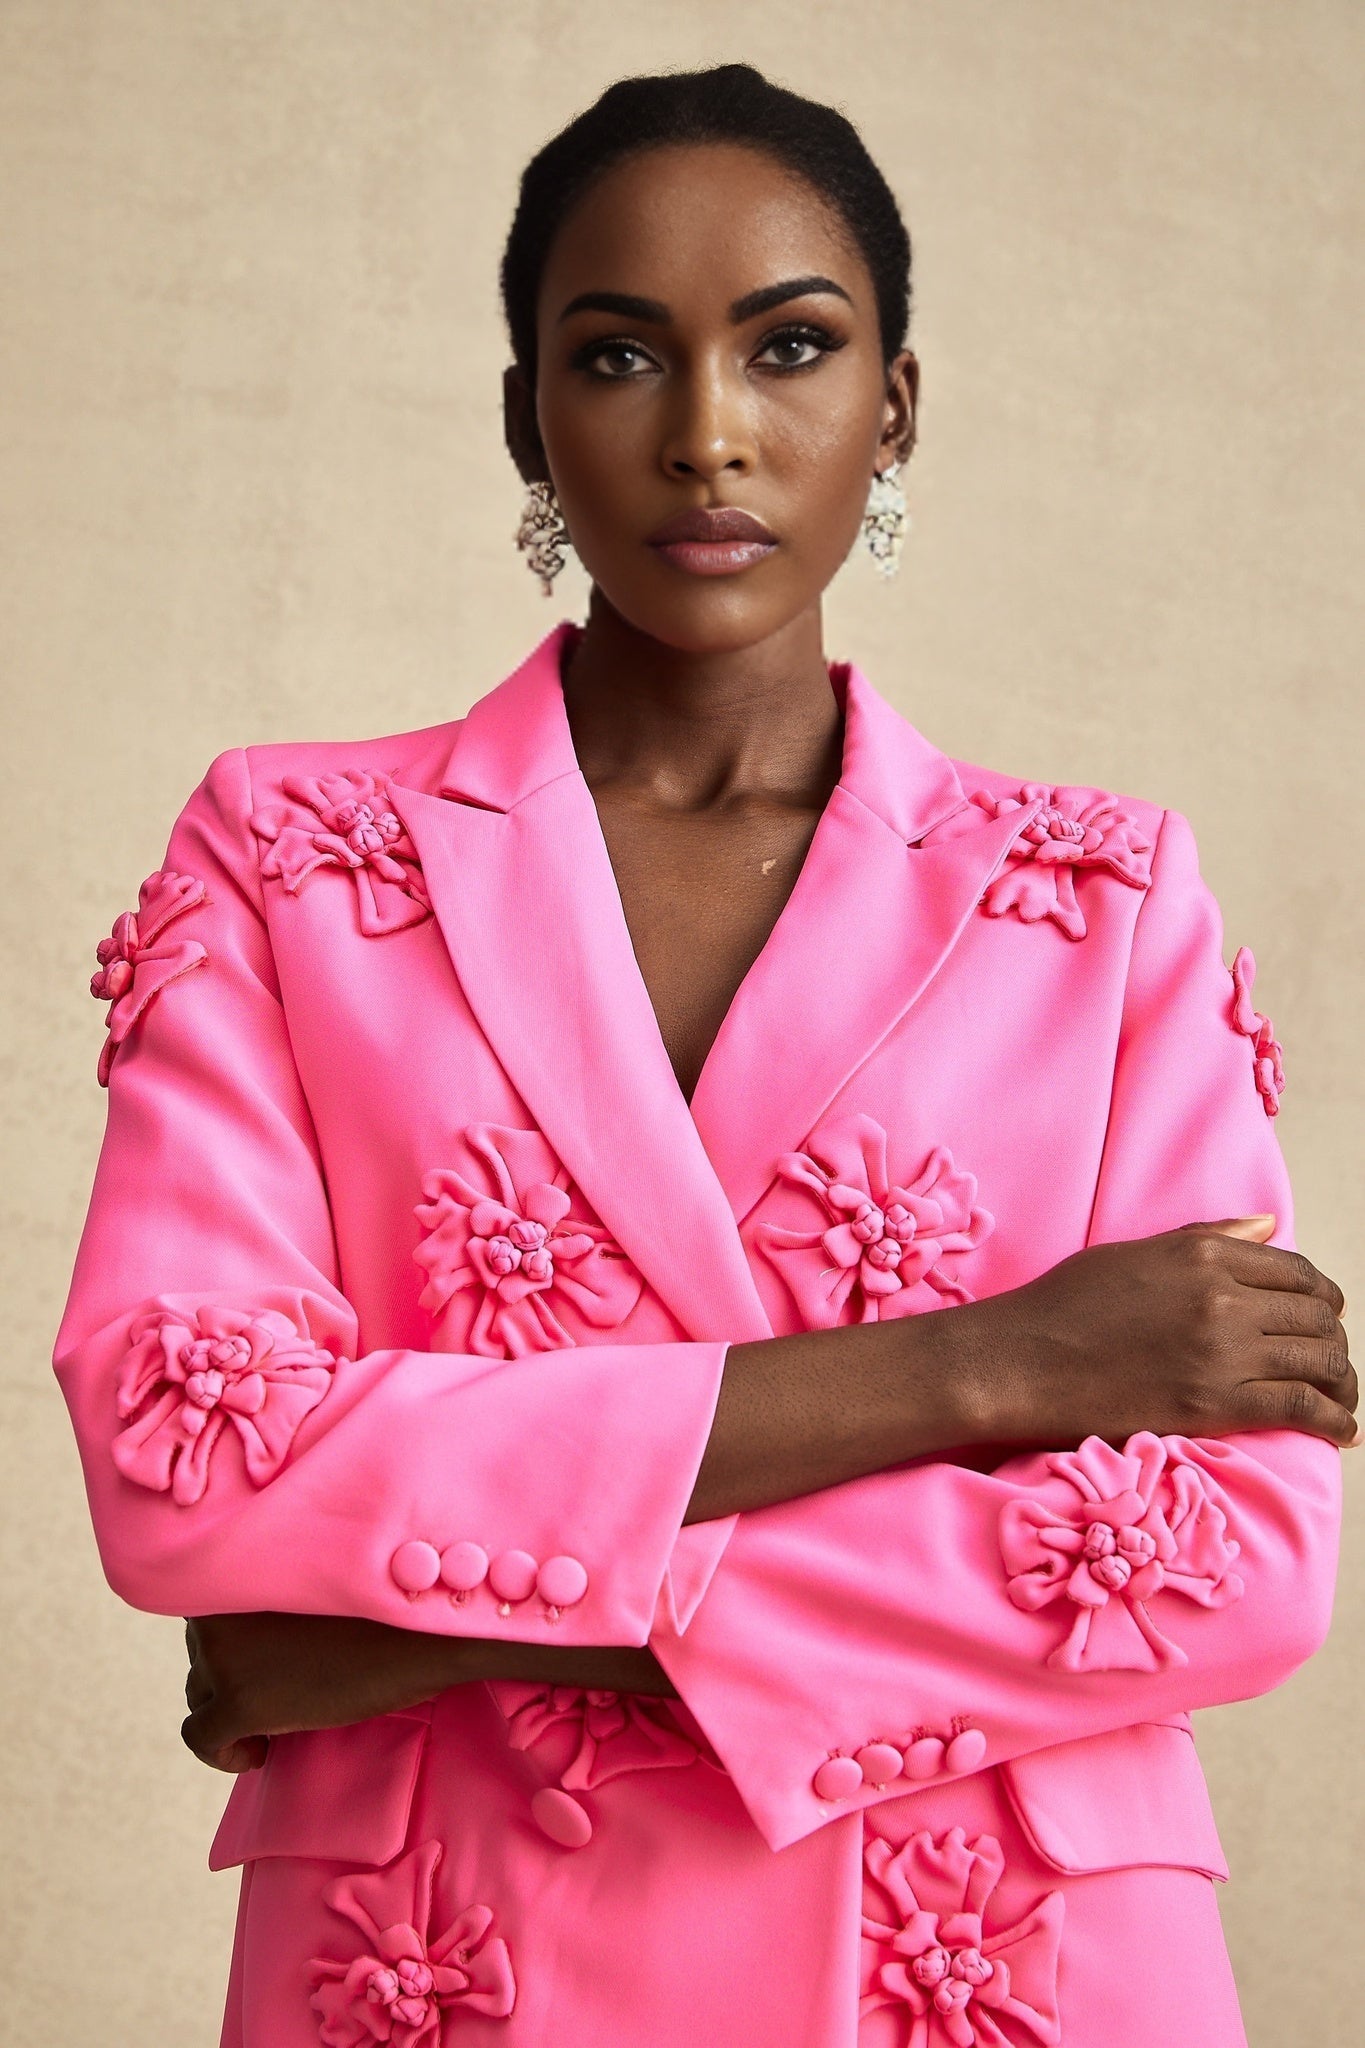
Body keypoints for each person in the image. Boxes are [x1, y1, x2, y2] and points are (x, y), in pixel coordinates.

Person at [54, 62, 1355, 2048]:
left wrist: (370, 1622)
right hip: (457, 1943)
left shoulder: (1100, 900)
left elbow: (1230, 1557)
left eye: (790, 347)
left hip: (995, 1953)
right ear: (525, 412)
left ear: (891, 405)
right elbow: (186, 1449)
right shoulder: (299, 862)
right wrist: (983, 1365)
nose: (707, 434)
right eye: (616, 355)